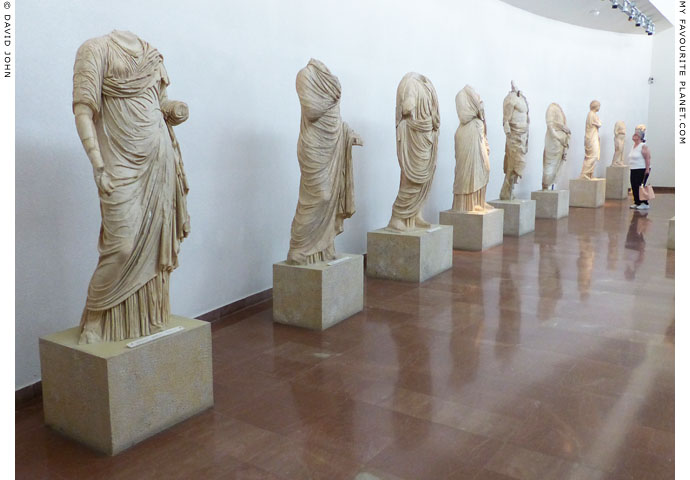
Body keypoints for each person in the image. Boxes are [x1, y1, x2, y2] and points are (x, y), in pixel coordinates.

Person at [73, 30, 190, 344]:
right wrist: (97, 163)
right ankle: (95, 317)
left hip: (158, 158)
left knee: (154, 246)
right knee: (121, 245)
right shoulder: (94, 49)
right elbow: (83, 109)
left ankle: (151, 315)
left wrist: (173, 108)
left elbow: (160, 101)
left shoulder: (152, 53)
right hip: (118, 160)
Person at [286, 59, 363, 265]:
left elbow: (335, 116)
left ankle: (323, 247)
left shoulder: (330, 80)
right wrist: (334, 97)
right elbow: (311, 111)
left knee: (331, 196)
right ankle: (298, 248)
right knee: (319, 195)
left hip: (334, 141)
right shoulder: (305, 75)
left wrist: (348, 133)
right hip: (314, 145)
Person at [387, 72, 440, 231]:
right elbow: (407, 108)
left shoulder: (427, 84)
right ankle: (398, 216)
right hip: (413, 133)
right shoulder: (410, 83)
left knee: (424, 178)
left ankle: (415, 213)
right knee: (412, 176)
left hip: (426, 135)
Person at [452, 85, 493, 212]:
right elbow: (463, 116)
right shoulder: (461, 95)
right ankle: (468, 204)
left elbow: (481, 115)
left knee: (484, 168)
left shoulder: (475, 97)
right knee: (467, 172)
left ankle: (480, 201)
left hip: (477, 133)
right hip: (467, 135)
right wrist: (478, 110)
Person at [628, 124, 652, 210]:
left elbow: (648, 158)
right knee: (634, 186)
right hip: (634, 169)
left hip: (642, 169)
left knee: (640, 186)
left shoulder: (643, 146)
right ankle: (637, 202)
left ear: (640, 137)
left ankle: (644, 203)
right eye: (634, 134)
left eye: (636, 135)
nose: (634, 136)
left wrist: (647, 169)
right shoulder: (633, 146)